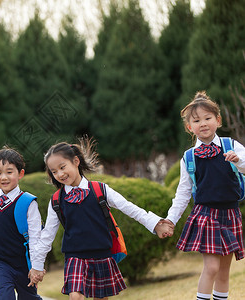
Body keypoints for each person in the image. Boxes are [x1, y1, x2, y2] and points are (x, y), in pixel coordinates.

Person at [30, 138, 173, 299]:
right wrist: (36, 266)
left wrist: (155, 224)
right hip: (74, 256)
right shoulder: (56, 200)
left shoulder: (100, 190)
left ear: (76, 161)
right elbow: (47, 235)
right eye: (54, 172)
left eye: (62, 167)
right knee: (75, 296)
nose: (60, 174)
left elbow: (129, 208)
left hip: (102, 254)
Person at [159, 91, 245, 300]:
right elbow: (183, 193)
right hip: (206, 215)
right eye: (197, 121)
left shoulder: (231, 145)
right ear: (190, 127)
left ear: (218, 120)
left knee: (224, 271)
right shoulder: (189, 157)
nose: (203, 124)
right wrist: (170, 219)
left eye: (208, 118)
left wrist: (238, 161)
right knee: (212, 267)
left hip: (230, 213)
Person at [0, 146, 44, 300]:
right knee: (5, 296)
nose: (3, 177)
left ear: (21, 174)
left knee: (28, 297)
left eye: (9, 172)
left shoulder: (27, 202)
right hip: (1, 263)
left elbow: (35, 236)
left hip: (24, 264)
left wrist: (36, 267)